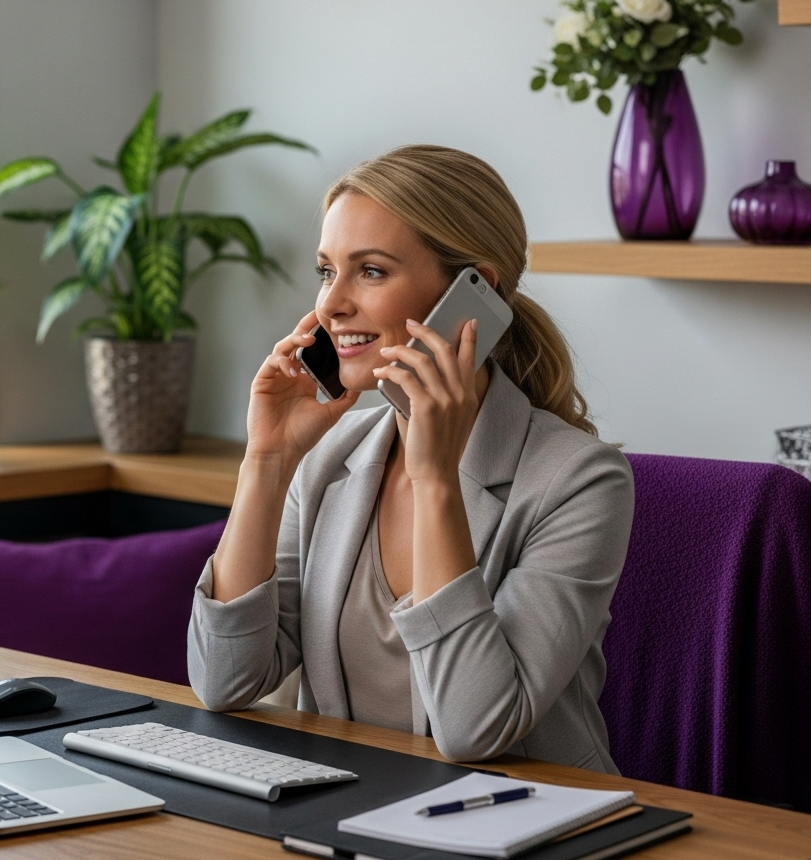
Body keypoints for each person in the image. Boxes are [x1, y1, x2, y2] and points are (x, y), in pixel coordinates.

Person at [187, 145, 634, 773]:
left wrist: (434, 479)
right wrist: (267, 459)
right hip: (348, 818)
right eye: (326, 271)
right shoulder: (326, 459)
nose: (330, 305)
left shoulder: (579, 481)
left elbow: (477, 730)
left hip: (526, 828)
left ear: (473, 294)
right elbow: (223, 681)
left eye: (369, 271)